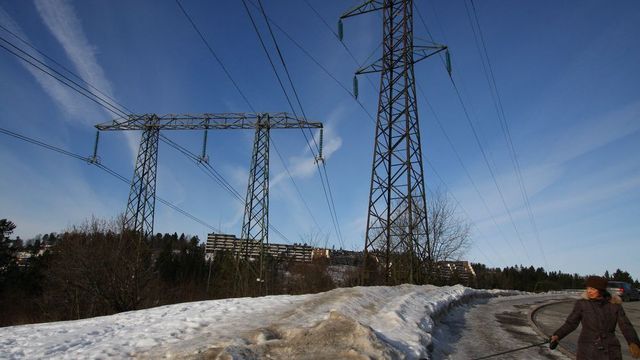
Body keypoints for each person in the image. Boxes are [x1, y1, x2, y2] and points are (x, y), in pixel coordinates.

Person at [551, 275, 640, 359]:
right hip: (587, 349)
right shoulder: (582, 304)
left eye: (592, 289)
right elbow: (570, 324)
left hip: (610, 349)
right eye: (588, 288)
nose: (589, 291)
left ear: (601, 290)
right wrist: (557, 335)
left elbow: (625, 325)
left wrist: (633, 342)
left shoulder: (614, 305)